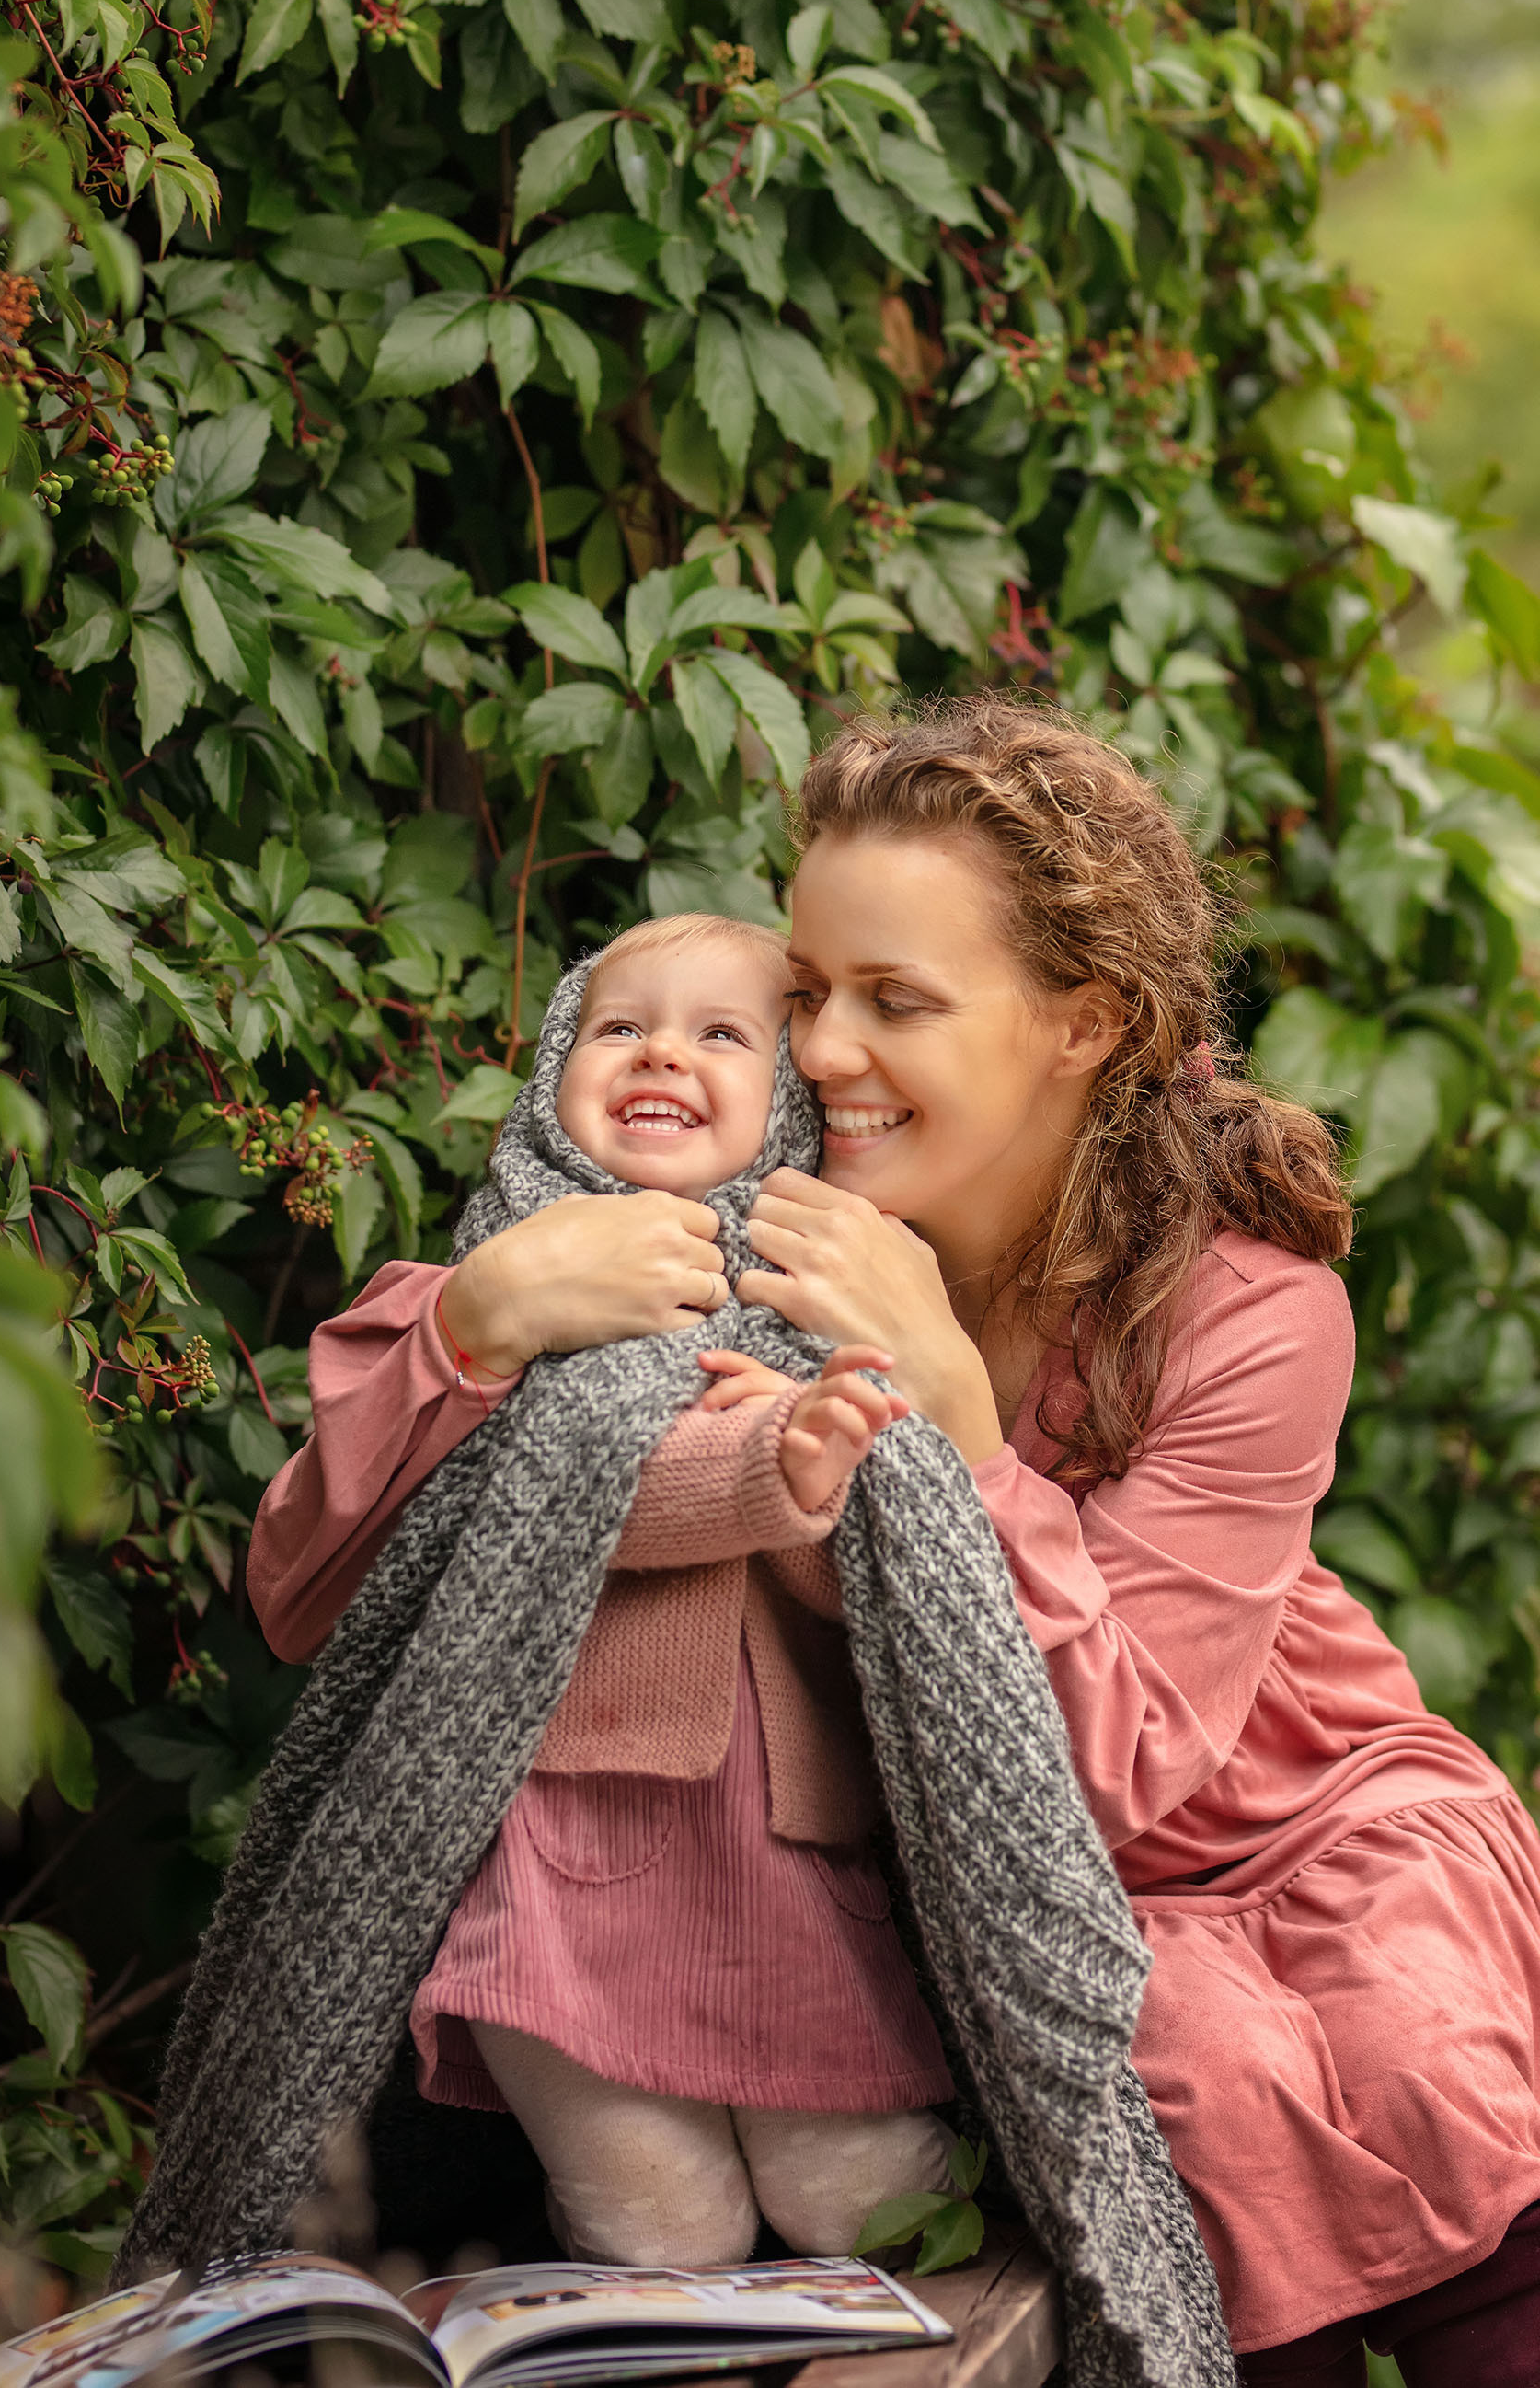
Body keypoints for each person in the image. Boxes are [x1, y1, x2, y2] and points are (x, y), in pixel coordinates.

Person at [710, 695, 1540, 2388]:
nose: (825, 1051)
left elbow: (1122, 1763)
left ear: (1085, 1021)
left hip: (1297, 1817)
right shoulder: (760, 1233)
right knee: (1187, 2059)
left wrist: (963, 1422)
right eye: (806, 993)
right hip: (1032, 1884)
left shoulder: (1249, 1311)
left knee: (1407, 2050)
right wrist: (472, 1322)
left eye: (897, 1000)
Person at [247, 912, 955, 2269]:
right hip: (557, 1874)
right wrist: (481, 1324)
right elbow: (293, 1579)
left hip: (789, 1863)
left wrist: (820, 1466)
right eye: (617, 1024)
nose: (662, 1054)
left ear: (797, 1102)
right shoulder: (459, 1297)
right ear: (553, 1076)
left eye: (724, 1033)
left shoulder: (836, 1312)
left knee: (858, 2202)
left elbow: (894, 1597)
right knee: (659, 2226)